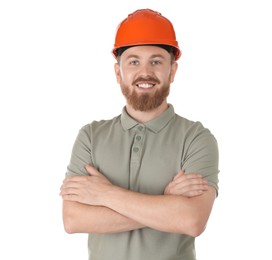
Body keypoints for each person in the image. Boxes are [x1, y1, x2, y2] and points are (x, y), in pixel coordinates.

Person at [60, 8, 219, 260]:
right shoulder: (91, 136)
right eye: (133, 61)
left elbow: (191, 220)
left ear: (172, 71)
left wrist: (104, 195)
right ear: (117, 72)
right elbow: (73, 219)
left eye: (156, 61)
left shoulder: (196, 138)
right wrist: (165, 204)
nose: (145, 72)